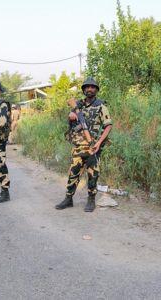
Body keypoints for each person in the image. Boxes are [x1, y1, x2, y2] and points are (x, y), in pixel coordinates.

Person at [55, 77, 113, 212]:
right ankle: (68, 199)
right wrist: (71, 114)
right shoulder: (78, 105)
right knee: (73, 173)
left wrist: (98, 143)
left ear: (96, 90)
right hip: (78, 146)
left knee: (93, 175)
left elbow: (108, 126)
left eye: (92, 87)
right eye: (87, 87)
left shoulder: (101, 106)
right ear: (83, 90)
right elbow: (71, 118)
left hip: (93, 146)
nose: (89, 89)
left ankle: (91, 200)